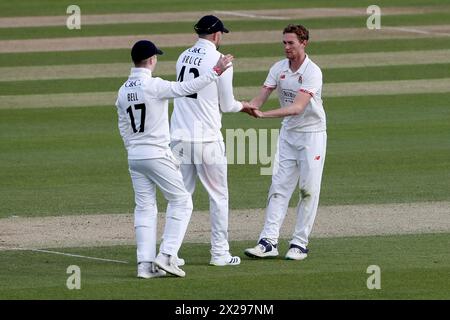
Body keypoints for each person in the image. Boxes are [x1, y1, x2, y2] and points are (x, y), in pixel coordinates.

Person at [115, 39, 233, 278]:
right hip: (157, 153)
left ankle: (145, 265)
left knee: (145, 208)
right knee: (182, 201)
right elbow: (187, 88)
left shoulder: (123, 89)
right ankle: (167, 256)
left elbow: (123, 126)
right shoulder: (154, 85)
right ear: (151, 60)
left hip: (135, 157)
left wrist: (132, 149)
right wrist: (216, 71)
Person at [170, 15, 253, 266]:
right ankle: (219, 253)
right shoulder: (220, 60)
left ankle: (170, 253)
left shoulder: (182, 56)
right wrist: (245, 106)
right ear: (217, 35)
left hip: (179, 137)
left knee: (180, 198)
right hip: (206, 139)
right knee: (218, 197)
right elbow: (227, 105)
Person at [244, 24, 327, 261]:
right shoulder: (278, 68)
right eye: (284, 43)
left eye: (291, 43)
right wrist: (241, 105)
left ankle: (299, 244)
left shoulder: (313, 72)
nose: (286, 47)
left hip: (312, 135)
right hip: (288, 135)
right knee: (278, 188)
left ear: (304, 43)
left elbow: (298, 107)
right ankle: (268, 241)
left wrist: (264, 115)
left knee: (308, 190)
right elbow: (258, 99)